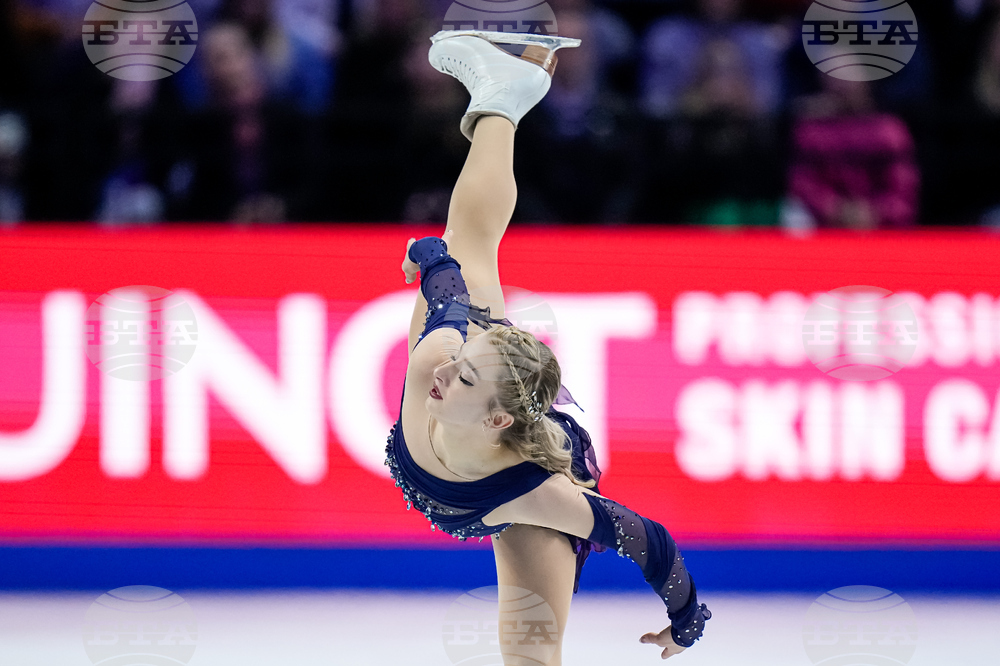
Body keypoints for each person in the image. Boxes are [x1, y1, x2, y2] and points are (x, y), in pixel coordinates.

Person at [384, 29, 711, 663]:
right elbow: (450, 295)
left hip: (535, 469)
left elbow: (647, 540)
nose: (443, 374)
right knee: (467, 235)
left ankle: (508, 90)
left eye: (463, 378)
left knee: (529, 653)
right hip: (496, 396)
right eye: (460, 363)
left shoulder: (541, 493)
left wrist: (687, 618)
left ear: (497, 419)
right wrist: (429, 256)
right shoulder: (439, 357)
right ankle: (503, 93)